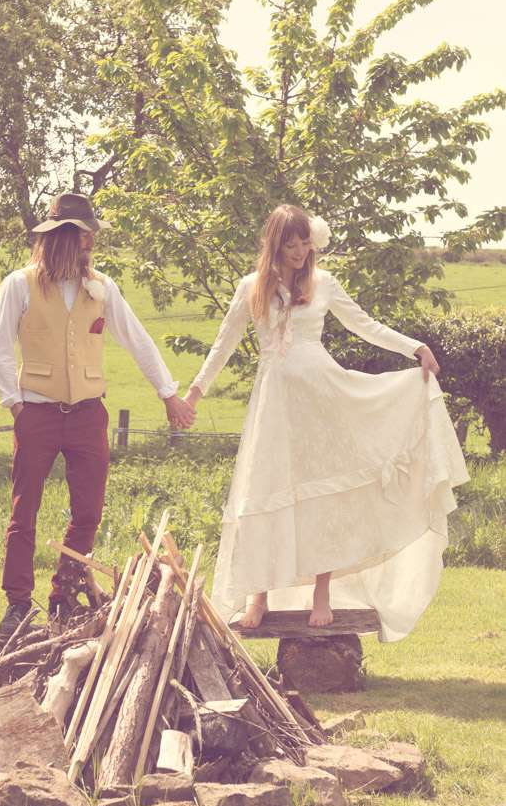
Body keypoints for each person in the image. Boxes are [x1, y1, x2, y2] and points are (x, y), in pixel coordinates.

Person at [184, 205, 469, 641]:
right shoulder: (251, 288)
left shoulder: (324, 283)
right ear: (275, 244)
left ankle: (322, 591)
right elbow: (223, 345)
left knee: (322, 492)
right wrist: (194, 392)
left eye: (305, 243)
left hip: (322, 398)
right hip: (275, 404)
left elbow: (365, 325)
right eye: (291, 244)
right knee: (265, 488)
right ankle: (258, 595)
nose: (300, 252)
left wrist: (415, 347)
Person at [0, 192, 195, 636]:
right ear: (65, 237)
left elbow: (137, 339)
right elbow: (0, 348)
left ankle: (62, 597)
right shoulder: (19, 285)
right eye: (86, 234)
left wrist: (168, 394)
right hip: (37, 412)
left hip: (87, 414)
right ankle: (17, 604)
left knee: (88, 512)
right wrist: (16, 405)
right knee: (24, 511)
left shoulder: (102, 287)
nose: (92, 242)